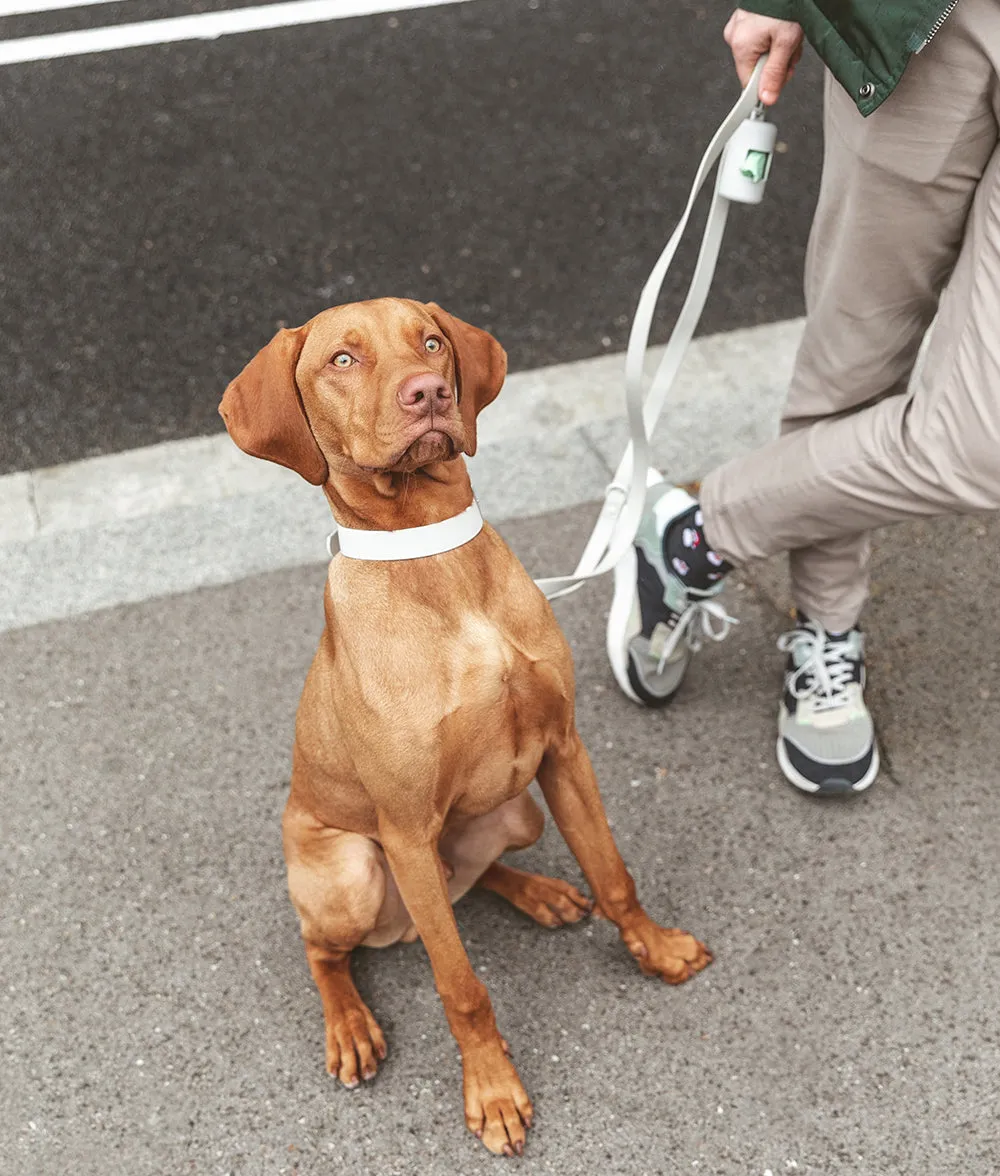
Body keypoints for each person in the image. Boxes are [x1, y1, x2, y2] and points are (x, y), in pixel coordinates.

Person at [606, 0, 999, 796]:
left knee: (981, 443)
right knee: (856, 344)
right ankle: (826, 629)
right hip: (935, 17)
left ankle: (695, 533)